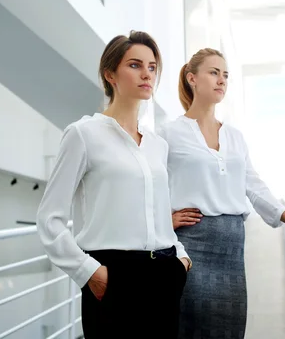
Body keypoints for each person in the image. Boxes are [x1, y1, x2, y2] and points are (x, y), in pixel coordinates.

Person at [159, 48, 285, 339]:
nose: (222, 80)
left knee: (229, 329)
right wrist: (162, 221)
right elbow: (150, 187)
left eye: (226, 75)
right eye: (214, 72)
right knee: (190, 328)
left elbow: (254, 186)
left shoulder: (235, 136)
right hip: (190, 245)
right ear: (192, 78)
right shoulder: (168, 133)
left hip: (232, 249)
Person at [36, 31, 191, 339]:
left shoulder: (157, 145)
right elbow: (49, 218)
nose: (146, 73)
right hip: (112, 275)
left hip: (165, 271)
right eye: (135, 65)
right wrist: (88, 272)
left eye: (151, 66)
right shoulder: (83, 134)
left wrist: (181, 258)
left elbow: (159, 213)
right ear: (110, 74)